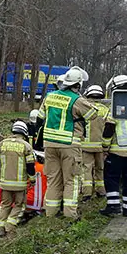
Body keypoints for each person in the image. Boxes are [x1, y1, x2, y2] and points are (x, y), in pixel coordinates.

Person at [38, 66, 96, 219]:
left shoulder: (49, 97)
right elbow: (92, 115)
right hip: (69, 145)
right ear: (78, 84)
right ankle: (70, 214)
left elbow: (40, 115)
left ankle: (50, 213)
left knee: (53, 180)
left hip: (49, 144)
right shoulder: (77, 100)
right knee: (71, 180)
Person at [100, 74, 127, 216]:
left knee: (111, 177)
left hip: (117, 150)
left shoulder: (116, 105)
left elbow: (109, 129)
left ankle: (113, 205)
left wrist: (105, 147)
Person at [0, 121, 36, 240]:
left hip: (4, 183)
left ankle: (0, 230)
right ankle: (10, 226)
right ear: (24, 133)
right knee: (19, 205)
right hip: (19, 184)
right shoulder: (26, 146)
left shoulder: (2, 144)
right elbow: (30, 166)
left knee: (5, 205)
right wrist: (32, 180)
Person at [81, 84, 110, 200]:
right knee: (100, 169)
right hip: (101, 146)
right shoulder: (106, 110)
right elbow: (108, 128)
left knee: (87, 169)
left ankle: (87, 193)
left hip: (85, 145)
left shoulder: (84, 108)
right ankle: (101, 191)